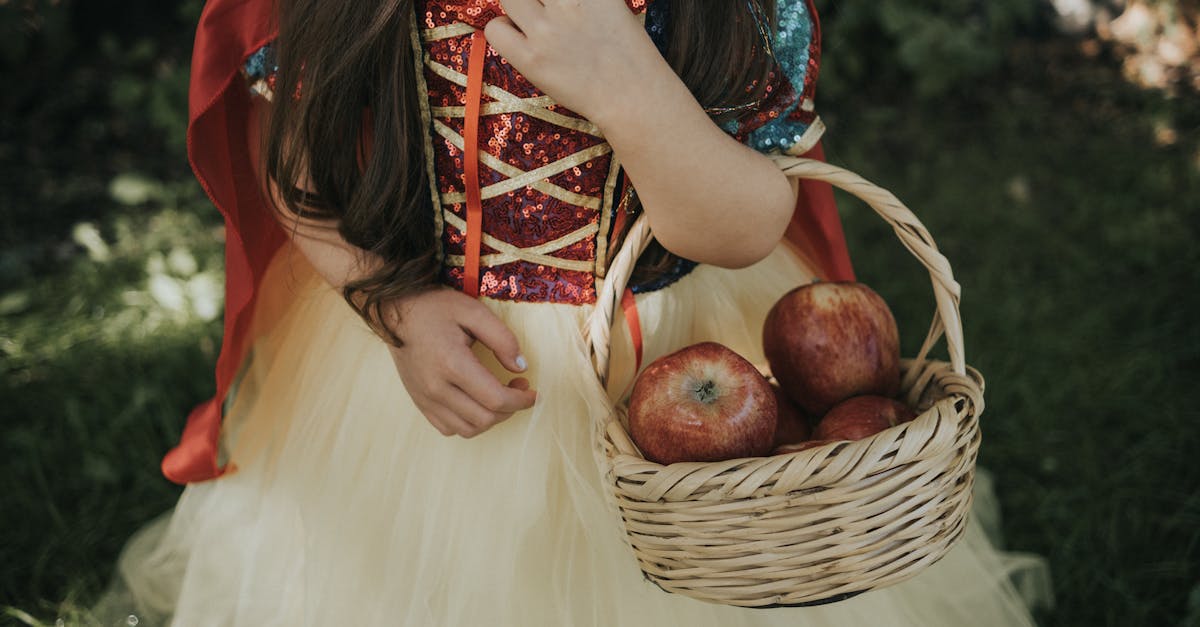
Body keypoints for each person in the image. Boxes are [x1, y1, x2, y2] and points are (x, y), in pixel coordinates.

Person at [97, 0, 1049, 624]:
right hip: (448, 364)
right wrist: (395, 302)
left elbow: (751, 220)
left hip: (675, 333)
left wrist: (624, 80)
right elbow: (298, 166)